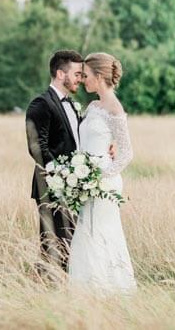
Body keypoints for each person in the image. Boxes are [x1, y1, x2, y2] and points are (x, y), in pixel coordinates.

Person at [67, 52, 136, 292]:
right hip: (87, 179)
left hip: (103, 184)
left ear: (98, 76)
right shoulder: (94, 105)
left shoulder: (115, 108)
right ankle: (86, 291)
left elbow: (127, 152)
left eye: (86, 76)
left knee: (101, 234)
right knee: (86, 234)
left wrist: (99, 176)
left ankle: (107, 290)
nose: (83, 80)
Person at [25, 50, 85, 271]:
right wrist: (61, 174)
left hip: (75, 186)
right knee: (53, 246)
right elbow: (36, 147)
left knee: (72, 245)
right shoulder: (41, 103)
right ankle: (43, 289)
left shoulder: (72, 104)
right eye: (77, 74)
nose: (81, 78)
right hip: (50, 186)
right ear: (61, 73)